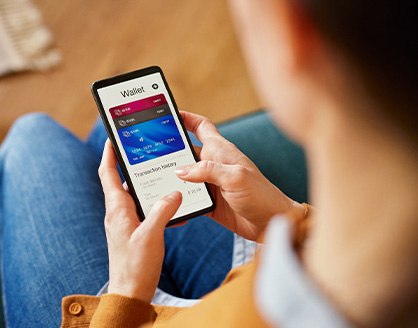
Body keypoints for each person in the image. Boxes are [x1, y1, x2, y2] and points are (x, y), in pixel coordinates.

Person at [1, 0, 417, 327]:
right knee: (105, 137)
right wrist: (289, 220)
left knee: (33, 137)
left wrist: (125, 295)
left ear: (295, 31)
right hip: (270, 261)